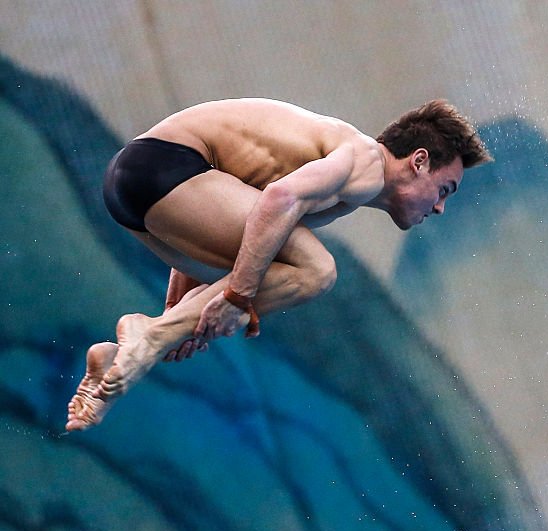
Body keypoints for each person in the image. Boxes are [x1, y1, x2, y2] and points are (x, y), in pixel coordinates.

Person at [65, 98, 492, 431]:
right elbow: (278, 200)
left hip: (132, 188)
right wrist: (237, 297)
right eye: (444, 189)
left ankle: (123, 355)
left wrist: (179, 315)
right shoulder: (363, 162)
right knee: (315, 271)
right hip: (165, 168)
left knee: (262, 256)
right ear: (418, 161)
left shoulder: (345, 179)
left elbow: (231, 229)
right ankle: (147, 337)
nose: (438, 208)